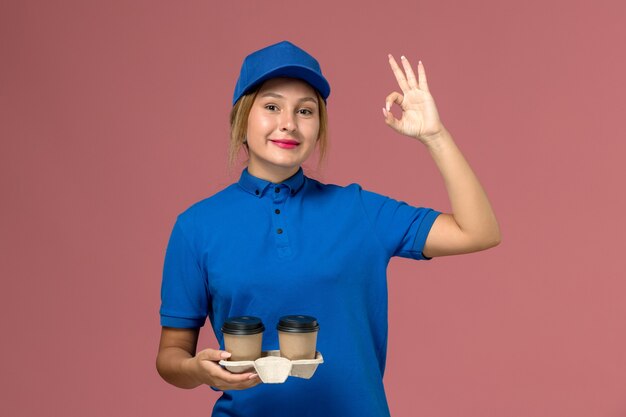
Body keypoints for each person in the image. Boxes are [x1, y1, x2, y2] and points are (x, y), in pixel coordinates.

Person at [156, 40, 500, 417]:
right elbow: (171, 355)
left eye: (305, 111)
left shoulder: (358, 210)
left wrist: (435, 137)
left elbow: (479, 232)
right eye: (272, 107)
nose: (288, 122)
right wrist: (197, 370)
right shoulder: (196, 226)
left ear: (318, 128)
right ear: (241, 120)